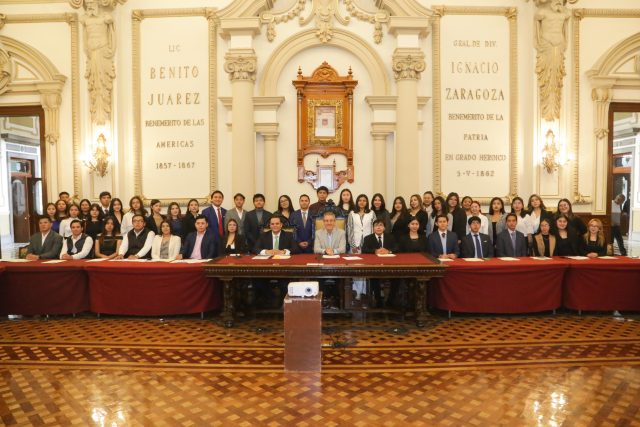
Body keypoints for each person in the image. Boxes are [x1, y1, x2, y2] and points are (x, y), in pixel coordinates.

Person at [362, 219, 399, 308]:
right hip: (374, 266)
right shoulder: (368, 238)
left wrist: (388, 251)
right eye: (376, 225)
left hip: (389, 265)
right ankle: (378, 300)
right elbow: (364, 250)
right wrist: (375, 251)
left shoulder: (391, 237)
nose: (378, 227)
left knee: (397, 278)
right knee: (374, 278)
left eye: (381, 225)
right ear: (373, 228)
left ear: (384, 228)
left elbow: (397, 248)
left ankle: (390, 299)